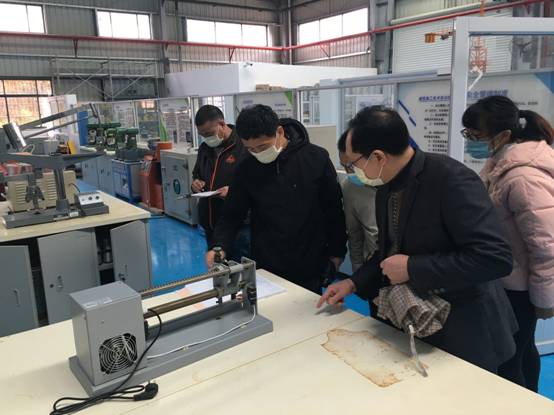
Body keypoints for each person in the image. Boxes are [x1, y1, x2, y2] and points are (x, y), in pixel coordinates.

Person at [318, 105, 517, 373]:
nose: (353, 170)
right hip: (421, 324)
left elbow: (494, 258)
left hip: (465, 329)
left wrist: (412, 267)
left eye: (353, 163)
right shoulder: (386, 185)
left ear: (378, 156)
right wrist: (354, 282)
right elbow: (388, 250)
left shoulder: (451, 180)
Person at [462, 95, 554, 391]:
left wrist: (544, 301)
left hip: (520, 289)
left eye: (475, 136)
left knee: (509, 359)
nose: (471, 142)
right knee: (523, 350)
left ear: (503, 135)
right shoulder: (499, 164)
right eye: (468, 134)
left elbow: (546, 246)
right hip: (506, 278)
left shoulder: (523, 178)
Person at [205, 104, 347, 294]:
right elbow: (232, 213)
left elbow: (333, 209)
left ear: (279, 132)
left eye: (263, 146)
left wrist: (337, 252)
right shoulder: (246, 167)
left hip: (309, 259)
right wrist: (219, 246)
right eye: (250, 149)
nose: (258, 153)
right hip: (267, 261)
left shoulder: (315, 158)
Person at [192, 105, 250, 260]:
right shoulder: (205, 148)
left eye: (209, 133)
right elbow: (197, 173)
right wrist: (196, 182)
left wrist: (233, 191)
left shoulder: (243, 146)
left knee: (239, 268)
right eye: (202, 135)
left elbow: (254, 182)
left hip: (238, 226)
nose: (206, 138)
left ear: (222, 124)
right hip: (210, 224)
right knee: (217, 268)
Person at [337, 131, 378, 272]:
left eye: (351, 166)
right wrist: (358, 274)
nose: (349, 173)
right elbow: (354, 235)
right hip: (371, 268)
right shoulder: (350, 187)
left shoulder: (397, 184)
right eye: (344, 166)